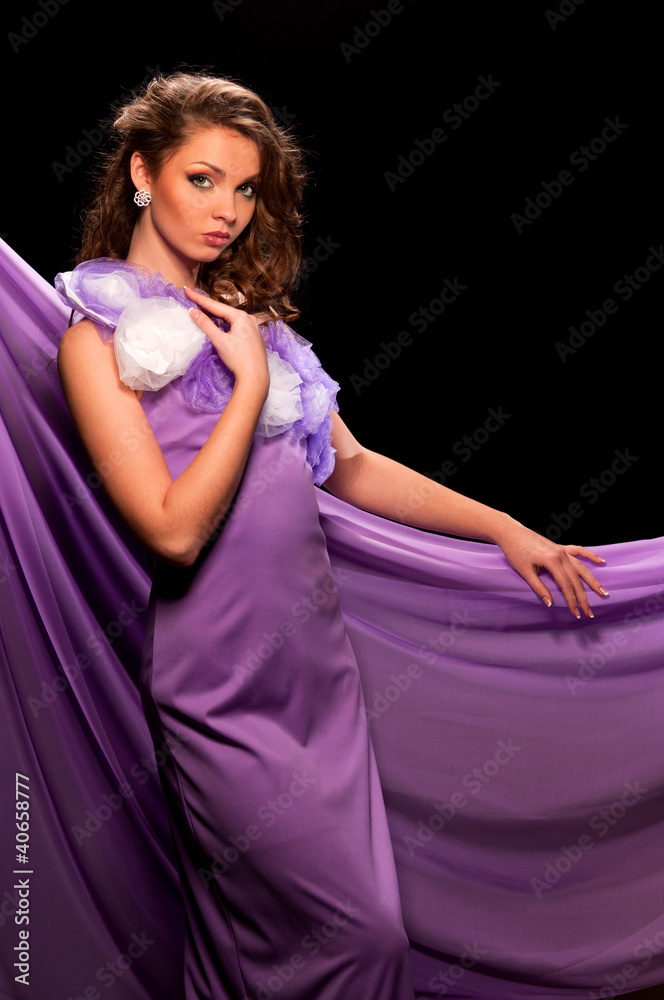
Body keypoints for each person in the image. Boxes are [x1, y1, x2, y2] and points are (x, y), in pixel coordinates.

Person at [52, 70, 612, 999]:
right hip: (220, 684)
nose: (228, 210)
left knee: (248, 948)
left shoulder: (254, 329)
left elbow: (351, 468)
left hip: (318, 675)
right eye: (202, 179)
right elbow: (172, 533)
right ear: (143, 173)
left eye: (245, 188)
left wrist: (505, 528)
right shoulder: (95, 337)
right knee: (364, 938)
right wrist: (245, 388)